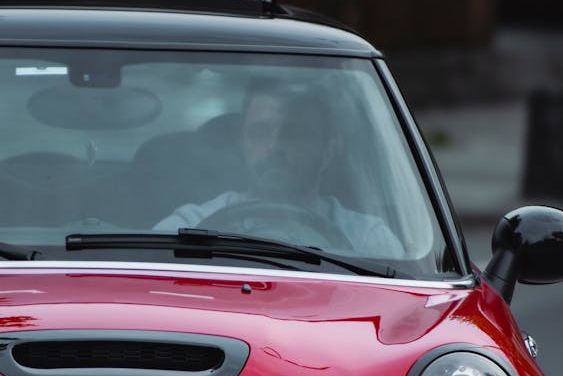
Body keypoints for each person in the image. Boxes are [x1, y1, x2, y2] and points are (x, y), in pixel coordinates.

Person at [154, 89, 402, 257]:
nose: (274, 147)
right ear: (243, 144)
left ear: (327, 151)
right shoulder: (190, 227)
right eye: (260, 132)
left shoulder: (368, 241)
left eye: (293, 134)